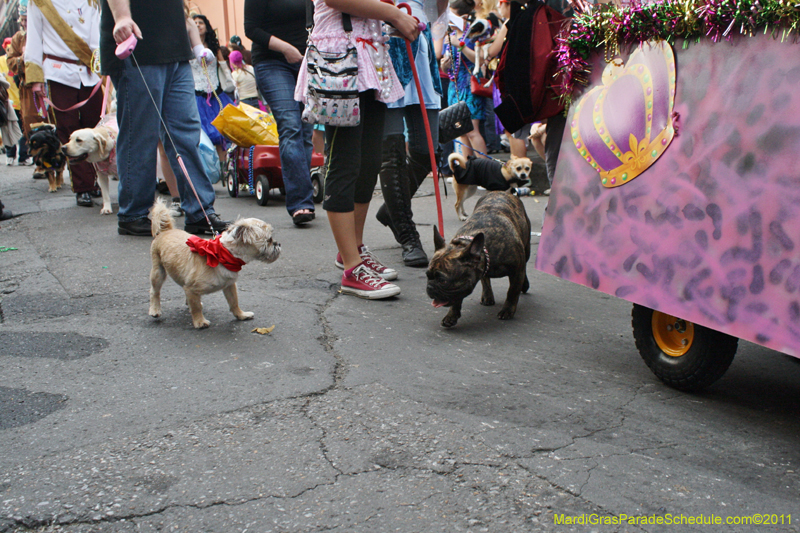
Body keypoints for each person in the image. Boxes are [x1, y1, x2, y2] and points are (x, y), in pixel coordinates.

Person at [295, 0, 419, 299]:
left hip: (369, 58)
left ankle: (353, 249)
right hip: (339, 61)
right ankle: (352, 267)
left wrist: (396, 17)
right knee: (345, 161)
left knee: (368, 162)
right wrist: (393, 14)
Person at [101, 0, 230, 236]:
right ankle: (134, 213)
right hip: (138, 45)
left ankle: (200, 210)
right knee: (141, 134)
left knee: (187, 134)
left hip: (177, 49)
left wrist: (194, 42)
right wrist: (121, 16)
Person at [376, 0, 447, 267]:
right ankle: (408, 235)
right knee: (392, 151)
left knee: (427, 149)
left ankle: (392, 209)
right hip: (384, 50)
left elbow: (435, 11)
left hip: (420, 50)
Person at [244, 0, 316, 226]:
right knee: (290, 125)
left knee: (305, 129)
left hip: (305, 63)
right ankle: (300, 202)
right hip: (272, 62)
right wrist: (285, 48)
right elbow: (251, 29)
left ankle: (298, 191)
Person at [25, 0, 103, 207]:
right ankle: (83, 186)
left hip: (90, 71)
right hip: (59, 72)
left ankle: (99, 181)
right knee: (68, 129)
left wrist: (104, 65)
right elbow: (33, 38)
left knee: (96, 126)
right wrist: (36, 78)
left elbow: (97, 32)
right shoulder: (40, 3)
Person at [436, 1, 489, 159]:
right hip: (455, 86)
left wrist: (460, 45)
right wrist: (445, 65)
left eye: (451, 15)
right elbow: (447, 66)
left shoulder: (474, 32)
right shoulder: (449, 34)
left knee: (472, 131)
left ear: (464, 16)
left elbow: (480, 59)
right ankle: (468, 173)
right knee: (460, 131)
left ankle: (485, 171)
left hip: (470, 86)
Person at [189, 13, 234, 169]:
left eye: (201, 22)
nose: (198, 25)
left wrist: (231, 84)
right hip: (196, 97)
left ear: (206, 27)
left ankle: (224, 170)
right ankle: (205, 170)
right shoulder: (186, 48)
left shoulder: (214, 48)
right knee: (201, 135)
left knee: (220, 134)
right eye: (195, 23)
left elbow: (223, 68)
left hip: (216, 96)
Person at [1, 38, 32, 166]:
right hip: (8, 100)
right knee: (9, 127)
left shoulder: (24, 59)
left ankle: (23, 156)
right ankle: (10, 154)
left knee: (22, 129)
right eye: (7, 48)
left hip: (22, 100)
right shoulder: (3, 61)